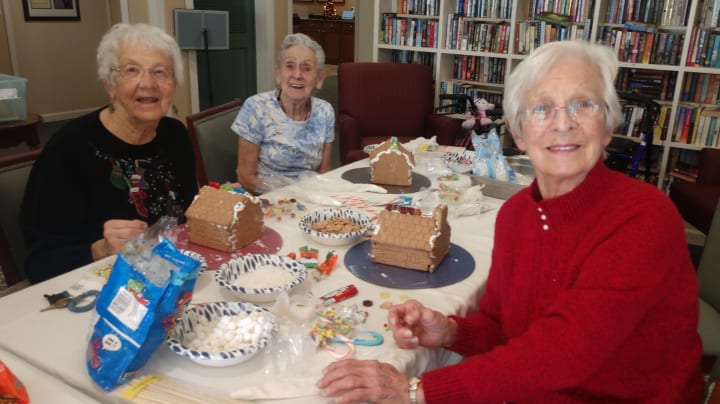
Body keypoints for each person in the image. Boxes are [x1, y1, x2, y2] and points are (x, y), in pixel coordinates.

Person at [317, 40, 703, 403]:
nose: (562, 123)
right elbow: (505, 329)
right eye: (541, 108)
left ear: (609, 127)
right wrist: (451, 331)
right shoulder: (517, 215)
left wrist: (414, 390)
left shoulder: (644, 218)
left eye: (583, 104)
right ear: (518, 133)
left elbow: (562, 355)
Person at [20, 23, 198, 284]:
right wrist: (99, 249)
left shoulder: (175, 135)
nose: (148, 83)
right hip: (100, 291)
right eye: (131, 71)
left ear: (173, 84)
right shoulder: (69, 149)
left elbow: (186, 215)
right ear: (110, 85)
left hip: (172, 281)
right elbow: (39, 263)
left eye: (160, 72)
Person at [231, 33, 334, 194]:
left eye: (306, 68)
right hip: (266, 199)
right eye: (290, 66)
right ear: (278, 74)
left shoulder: (325, 111)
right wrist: (291, 198)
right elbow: (246, 177)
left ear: (319, 79)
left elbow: (324, 173)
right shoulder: (256, 108)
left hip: (312, 198)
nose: (298, 75)